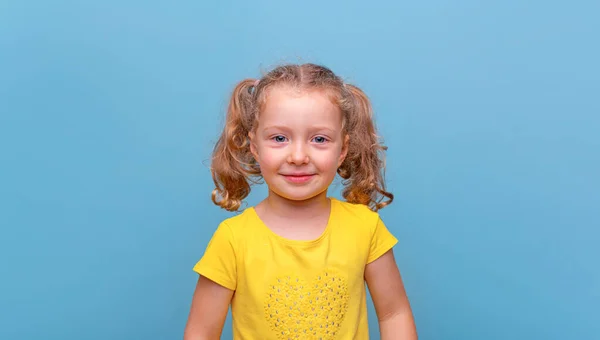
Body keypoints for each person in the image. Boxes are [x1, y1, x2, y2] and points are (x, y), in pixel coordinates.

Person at [184, 63, 417, 339]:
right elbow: (201, 332)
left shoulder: (366, 229)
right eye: (279, 138)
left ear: (342, 149)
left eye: (319, 139)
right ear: (254, 147)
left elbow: (394, 313)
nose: (298, 156)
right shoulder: (233, 240)